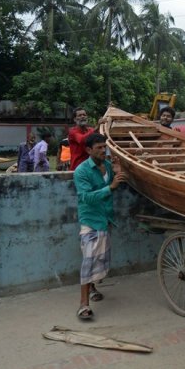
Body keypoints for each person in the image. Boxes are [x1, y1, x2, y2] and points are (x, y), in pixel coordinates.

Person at [73, 132, 127, 320]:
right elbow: (85, 197)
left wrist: (119, 170)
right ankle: (83, 304)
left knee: (98, 259)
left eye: (104, 147)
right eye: (99, 148)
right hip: (90, 220)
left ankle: (93, 287)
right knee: (89, 259)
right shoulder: (82, 171)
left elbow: (118, 182)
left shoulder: (108, 166)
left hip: (105, 218)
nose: (103, 150)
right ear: (88, 150)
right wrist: (110, 187)